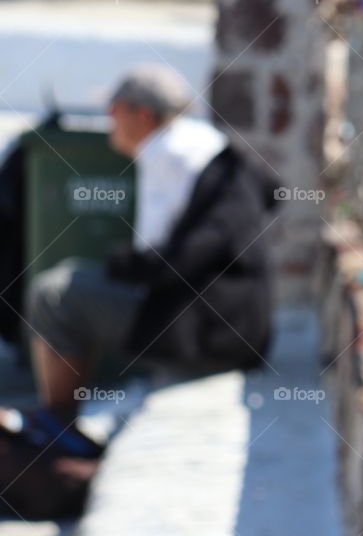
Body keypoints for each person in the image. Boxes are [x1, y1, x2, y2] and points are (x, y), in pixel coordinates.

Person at [0, 64, 279, 458]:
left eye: (114, 110)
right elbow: (272, 193)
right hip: (237, 325)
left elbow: (174, 262)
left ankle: (58, 426)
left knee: (55, 294)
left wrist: (122, 264)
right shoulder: (205, 144)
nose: (108, 120)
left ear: (143, 115)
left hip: (210, 332)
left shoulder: (168, 153)